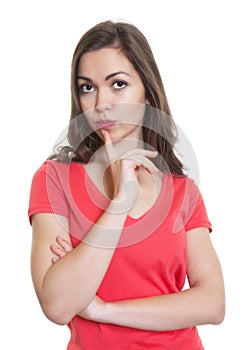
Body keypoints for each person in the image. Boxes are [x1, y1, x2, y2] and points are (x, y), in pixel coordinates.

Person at [28, 20, 225, 349]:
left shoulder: (182, 191)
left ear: (146, 92)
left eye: (117, 84)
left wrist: (102, 309)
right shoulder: (54, 180)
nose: (101, 102)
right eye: (87, 87)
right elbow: (58, 305)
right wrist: (119, 203)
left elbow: (212, 303)